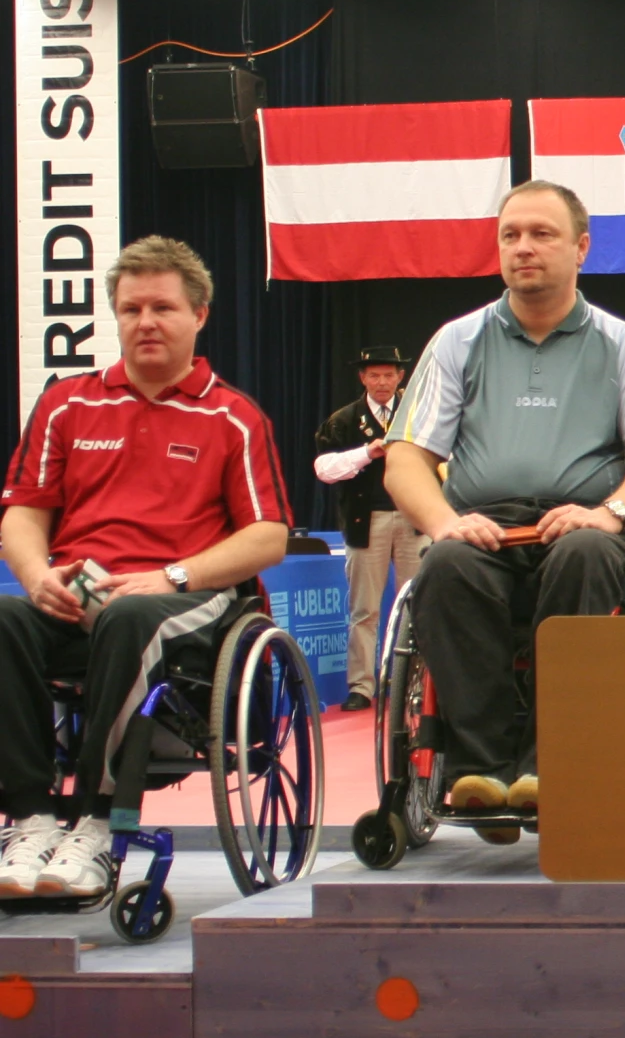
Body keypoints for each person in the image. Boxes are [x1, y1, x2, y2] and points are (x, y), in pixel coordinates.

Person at [386, 180, 625, 841]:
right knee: (444, 564)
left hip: (586, 521)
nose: (523, 247)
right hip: (482, 524)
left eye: (542, 234)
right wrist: (443, 522)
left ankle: (549, 763)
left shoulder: (622, 343)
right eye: (510, 235)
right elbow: (404, 458)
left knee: (582, 553)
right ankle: (481, 769)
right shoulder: (457, 340)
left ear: (581, 247)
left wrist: (609, 513)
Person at [0, 238, 291, 898]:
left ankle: (99, 822)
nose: (146, 321)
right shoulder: (67, 405)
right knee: (4, 617)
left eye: (163, 306)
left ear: (200, 314)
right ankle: (31, 818)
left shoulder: (233, 417)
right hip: (79, 591)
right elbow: (22, 513)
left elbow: (269, 535)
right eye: (131, 308)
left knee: (131, 615)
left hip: (187, 596)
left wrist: (172, 577)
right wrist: (34, 573)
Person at [314, 345, 426, 711]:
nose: (382, 382)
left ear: (400, 377)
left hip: (414, 519)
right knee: (364, 609)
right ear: (362, 378)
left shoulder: (419, 414)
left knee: (418, 605)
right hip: (368, 522)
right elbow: (324, 469)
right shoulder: (345, 419)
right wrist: (368, 453)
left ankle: (414, 686)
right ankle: (361, 685)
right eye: (374, 375)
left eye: (389, 375)